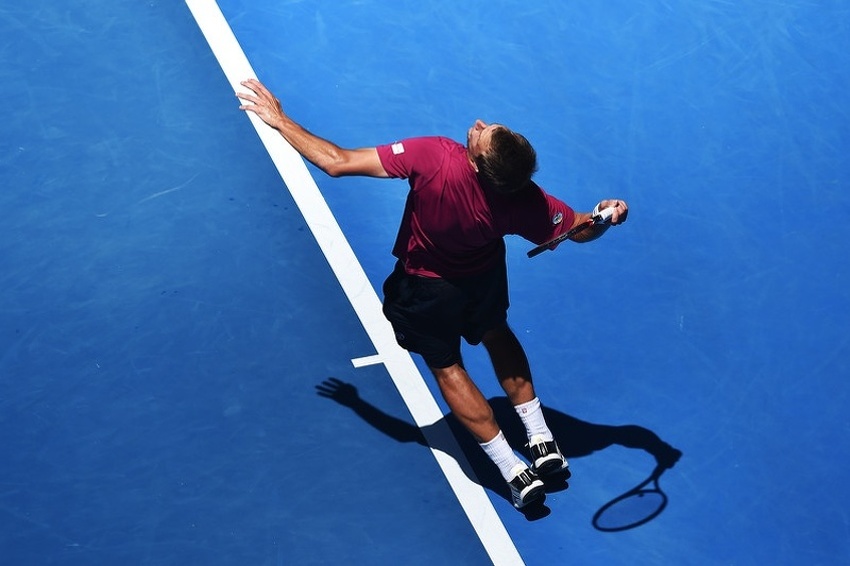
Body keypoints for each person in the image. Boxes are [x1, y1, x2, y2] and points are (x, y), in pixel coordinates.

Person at [237, 78, 629, 509]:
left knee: (447, 368)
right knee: (498, 334)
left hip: (425, 289)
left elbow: (336, 162)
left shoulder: (437, 156)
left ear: (479, 165)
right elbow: (578, 229)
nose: (477, 125)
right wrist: (604, 217)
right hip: (482, 278)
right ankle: (540, 440)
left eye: (483, 134)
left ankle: (512, 470)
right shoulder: (526, 199)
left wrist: (278, 119)